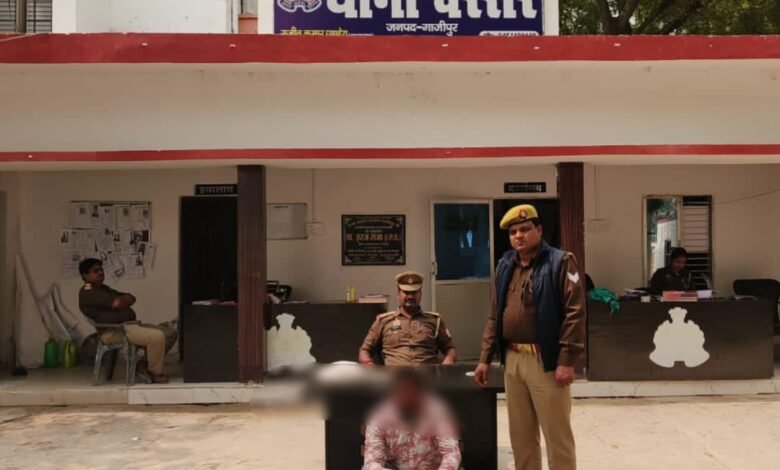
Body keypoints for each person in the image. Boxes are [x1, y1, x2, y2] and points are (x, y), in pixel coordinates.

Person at [473, 204, 585, 470]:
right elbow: (495, 316)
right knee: (521, 436)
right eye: (513, 232)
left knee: (556, 436)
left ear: (539, 230)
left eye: (525, 229)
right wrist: (484, 358)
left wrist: (566, 360)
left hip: (546, 362)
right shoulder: (505, 265)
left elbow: (575, 313)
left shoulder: (560, 262)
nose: (518, 236)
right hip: (512, 360)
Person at [78, 258, 177, 384]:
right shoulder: (88, 292)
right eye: (95, 271)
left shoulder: (103, 289)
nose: (100, 272)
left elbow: (131, 297)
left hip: (129, 326)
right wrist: (123, 301)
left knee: (171, 333)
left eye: (101, 269)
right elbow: (117, 303)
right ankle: (155, 372)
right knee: (157, 337)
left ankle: (143, 364)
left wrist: (124, 300)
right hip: (114, 331)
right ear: (85, 275)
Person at [363, 368, 461, 470]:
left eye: (412, 392)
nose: (407, 398)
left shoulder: (437, 411)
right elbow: (372, 462)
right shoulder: (379, 418)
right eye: (402, 392)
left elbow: (451, 453)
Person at [359, 271, 457, 366]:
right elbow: (365, 350)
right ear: (398, 294)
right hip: (394, 375)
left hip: (427, 374)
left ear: (420, 294)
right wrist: (369, 364)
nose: (410, 296)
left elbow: (450, 349)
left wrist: (448, 362)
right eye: (406, 292)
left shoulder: (435, 321)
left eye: (414, 293)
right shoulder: (383, 321)